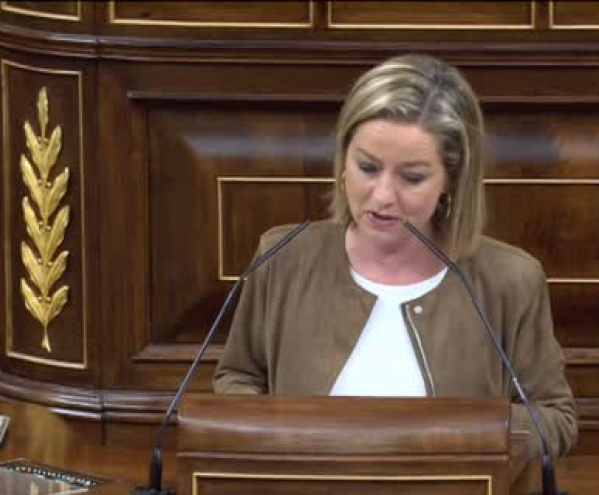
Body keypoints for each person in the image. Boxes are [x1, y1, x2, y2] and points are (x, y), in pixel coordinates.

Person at [213, 54, 577, 457]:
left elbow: (554, 420)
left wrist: (459, 433)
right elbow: (238, 378)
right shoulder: (282, 257)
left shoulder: (510, 280)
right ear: (343, 158)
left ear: (451, 180)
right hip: (306, 494)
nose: (383, 195)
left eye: (412, 177)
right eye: (368, 167)